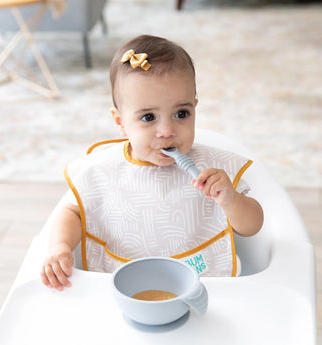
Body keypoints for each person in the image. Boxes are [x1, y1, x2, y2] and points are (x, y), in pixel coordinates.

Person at [41, 35, 264, 291]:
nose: (167, 130)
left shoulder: (211, 169)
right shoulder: (102, 170)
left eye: (181, 114)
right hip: (124, 286)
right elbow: (71, 212)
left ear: (195, 108)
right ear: (120, 122)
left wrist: (231, 200)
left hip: (204, 284)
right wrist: (60, 247)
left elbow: (253, 226)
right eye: (148, 117)